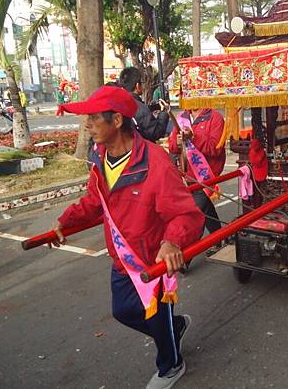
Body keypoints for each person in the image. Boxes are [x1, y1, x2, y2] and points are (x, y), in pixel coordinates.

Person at [51, 86, 204, 389]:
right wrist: (65, 221)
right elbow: (96, 202)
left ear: (117, 120)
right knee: (123, 311)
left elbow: (187, 214)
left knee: (157, 318)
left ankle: (171, 365)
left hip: (153, 260)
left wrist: (172, 241)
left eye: (94, 118)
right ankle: (174, 327)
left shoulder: (155, 163)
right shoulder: (100, 158)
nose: (88, 125)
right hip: (122, 257)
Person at [168, 107, 225, 243]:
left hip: (206, 175)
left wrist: (194, 137)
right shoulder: (182, 118)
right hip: (187, 176)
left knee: (193, 216)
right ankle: (220, 239)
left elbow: (215, 148)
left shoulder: (215, 117)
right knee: (206, 210)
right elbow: (172, 147)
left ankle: (184, 259)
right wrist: (178, 141)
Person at [119, 67, 170, 142]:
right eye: (142, 83)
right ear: (137, 86)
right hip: (141, 149)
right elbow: (155, 133)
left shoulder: (118, 103)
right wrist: (164, 113)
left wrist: (154, 107)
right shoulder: (140, 108)